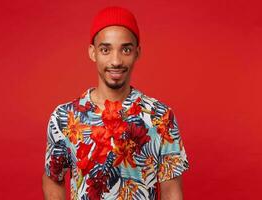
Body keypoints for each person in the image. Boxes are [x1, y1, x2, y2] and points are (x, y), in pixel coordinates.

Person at [42, 6, 189, 200]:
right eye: (106, 50)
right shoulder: (65, 117)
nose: (116, 60)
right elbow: (53, 178)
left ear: (137, 52)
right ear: (93, 53)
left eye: (125, 49)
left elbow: (172, 192)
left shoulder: (160, 117)